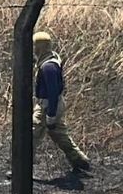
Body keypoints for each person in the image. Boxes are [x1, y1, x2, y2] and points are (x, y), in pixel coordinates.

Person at [33, 31, 91, 176]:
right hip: (52, 104)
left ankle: (21, 169)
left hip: (48, 106)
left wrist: (51, 115)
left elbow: (52, 92)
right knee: (60, 135)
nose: (33, 49)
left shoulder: (48, 67)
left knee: (30, 135)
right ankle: (80, 160)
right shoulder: (50, 60)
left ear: (39, 47)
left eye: (34, 46)